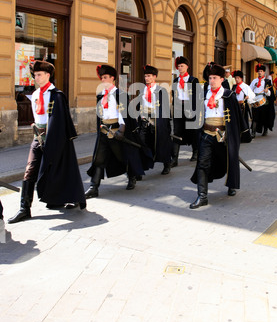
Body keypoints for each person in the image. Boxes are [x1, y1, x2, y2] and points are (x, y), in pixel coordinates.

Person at [8, 60, 86, 224]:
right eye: (35, 75)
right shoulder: (35, 95)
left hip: (56, 139)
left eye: (39, 74)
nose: (36, 78)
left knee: (62, 169)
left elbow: (58, 121)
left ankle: (72, 196)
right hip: (38, 138)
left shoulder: (56, 95)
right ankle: (24, 209)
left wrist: (51, 140)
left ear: (48, 75)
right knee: (30, 171)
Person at [85, 65, 152, 198]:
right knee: (98, 159)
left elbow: (123, 113)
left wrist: (121, 130)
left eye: (105, 78)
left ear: (112, 78)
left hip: (117, 132)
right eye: (102, 78)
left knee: (122, 156)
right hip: (104, 131)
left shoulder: (120, 94)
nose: (103, 80)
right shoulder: (100, 95)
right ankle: (94, 187)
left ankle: (132, 176)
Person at [189, 63, 249, 208]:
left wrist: (236, 136)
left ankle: (231, 185)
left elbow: (237, 118)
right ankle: (202, 196)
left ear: (222, 79)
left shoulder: (229, 95)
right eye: (210, 78)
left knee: (229, 160)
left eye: (215, 78)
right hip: (206, 134)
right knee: (202, 164)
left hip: (224, 135)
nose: (212, 81)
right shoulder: (204, 94)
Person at [137, 64, 172, 175]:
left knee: (161, 143)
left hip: (158, 120)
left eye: (149, 76)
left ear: (154, 77)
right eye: (145, 76)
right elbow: (139, 105)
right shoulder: (142, 90)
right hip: (144, 120)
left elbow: (165, 108)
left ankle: (167, 163)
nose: (147, 78)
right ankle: (141, 167)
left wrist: (165, 123)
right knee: (142, 143)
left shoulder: (161, 90)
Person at [171, 56, 200, 167]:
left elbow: (198, 96)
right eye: (178, 66)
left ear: (187, 67)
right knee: (176, 132)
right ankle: (174, 158)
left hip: (190, 108)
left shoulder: (193, 80)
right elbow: (174, 94)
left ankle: (195, 152)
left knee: (193, 131)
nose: (180, 68)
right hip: (179, 108)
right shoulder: (176, 80)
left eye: (182, 66)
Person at [250, 63, 275, 137]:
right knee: (255, 117)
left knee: (264, 117)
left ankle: (265, 130)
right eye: (259, 71)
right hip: (255, 100)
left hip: (264, 101)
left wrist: (267, 91)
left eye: (261, 71)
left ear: (264, 72)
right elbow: (250, 90)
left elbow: (271, 94)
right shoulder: (254, 81)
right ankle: (253, 132)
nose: (260, 73)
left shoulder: (267, 82)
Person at [232, 70, 255, 143]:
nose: (236, 79)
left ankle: (245, 137)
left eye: (238, 78)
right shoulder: (234, 87)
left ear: (241, 78)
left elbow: (252, 95)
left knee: (244, 121)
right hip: (236, 106)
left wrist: (248, 97)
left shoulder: (245, 86)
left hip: (243, 106)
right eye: (235, 78)